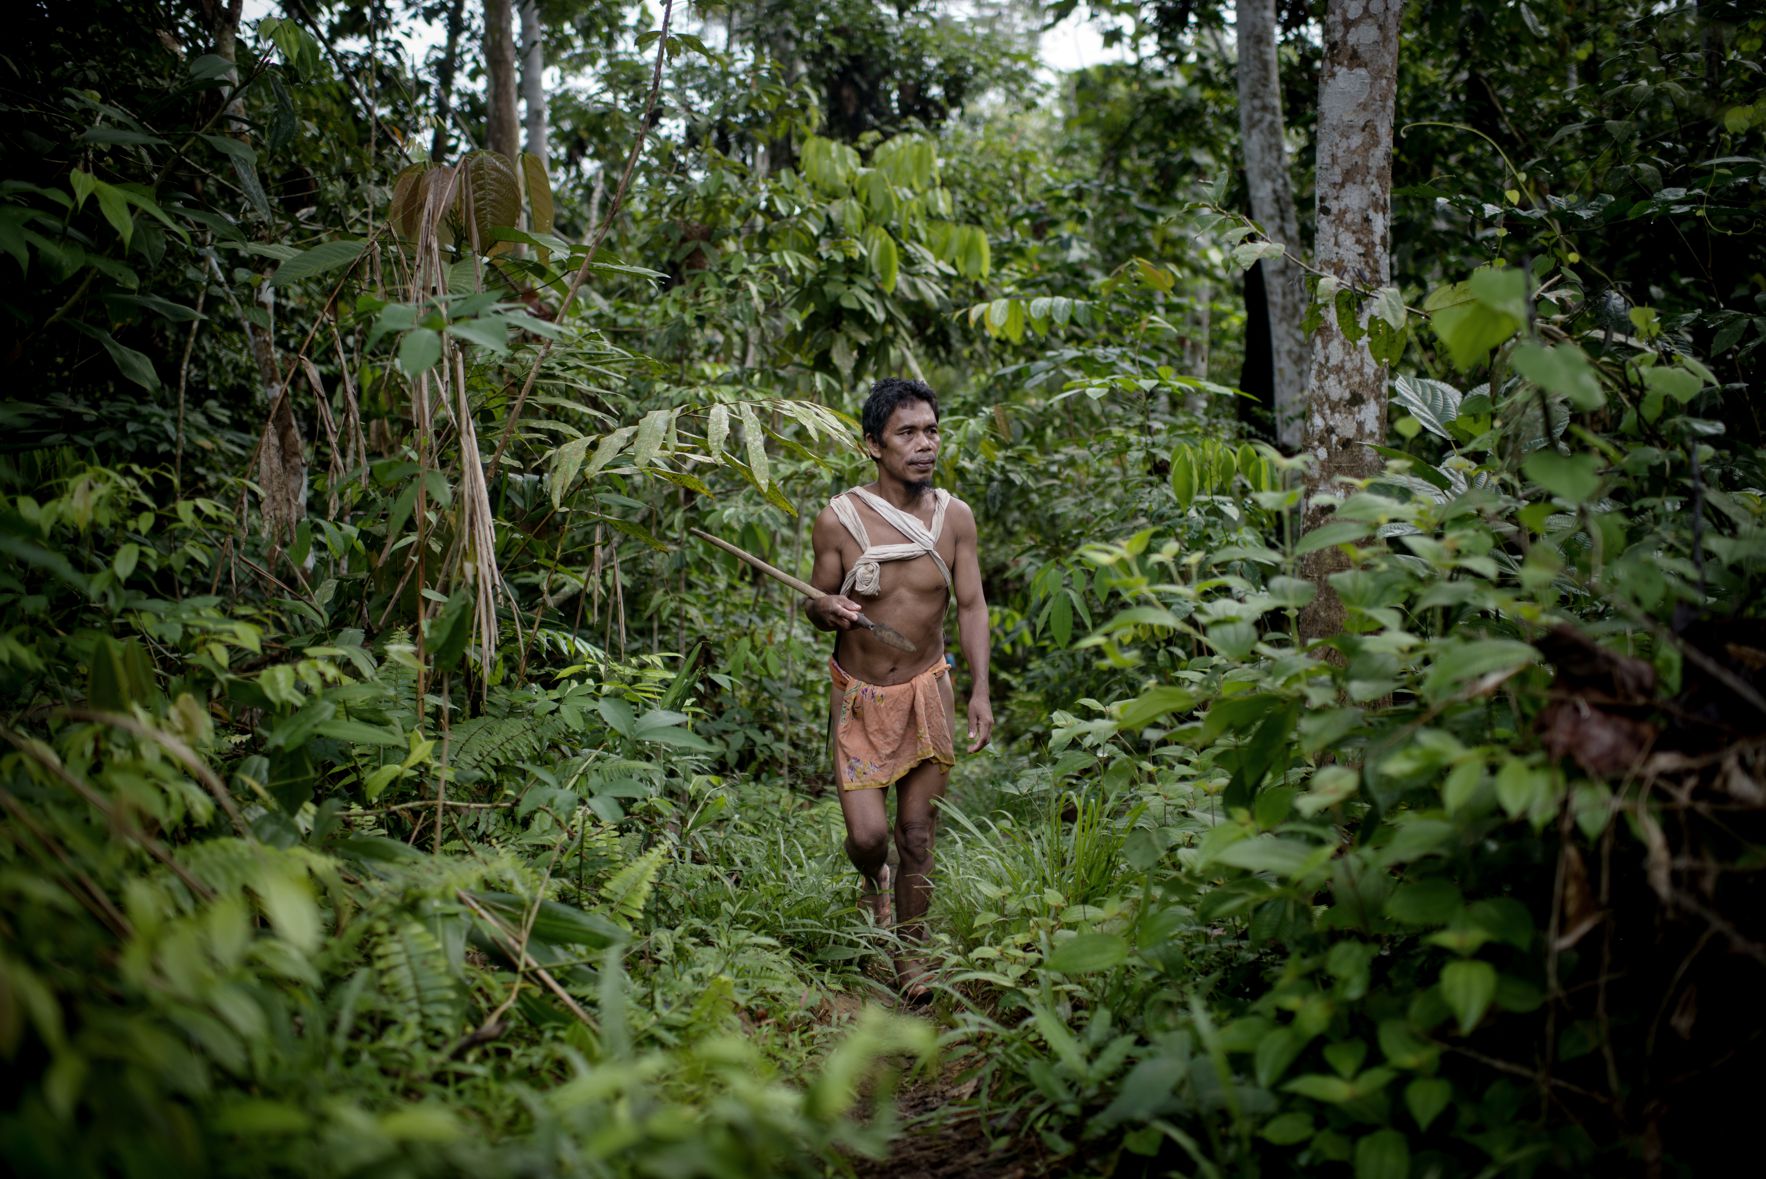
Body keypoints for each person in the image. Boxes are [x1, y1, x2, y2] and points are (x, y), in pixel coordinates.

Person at [805, 377, 993, 1001]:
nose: (924, 445)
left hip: (926, 689)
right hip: (859, 693)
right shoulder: (840, 520)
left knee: (917, 834)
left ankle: (912, 957)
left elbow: (970, 607)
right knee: (869, 838)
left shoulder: (954, 518)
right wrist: (827, 608)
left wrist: (979, 691)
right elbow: (816, 599)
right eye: (907, 433)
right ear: (872, 445)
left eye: (931, 431)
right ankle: (872, 881)